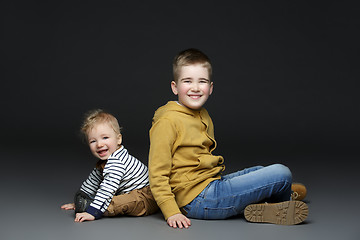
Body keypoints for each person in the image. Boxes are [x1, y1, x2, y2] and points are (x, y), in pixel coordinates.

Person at [148, 48, 308, 228]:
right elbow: (156, 173)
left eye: (202, 81)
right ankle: (282, 200)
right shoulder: (167, 121)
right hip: (199, 200)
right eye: (187, 81)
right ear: (174, 87)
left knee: (260, 169)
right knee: (281, 172)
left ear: (211, 87)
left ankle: (273, 201)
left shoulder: (202, 113)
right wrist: (171, 211)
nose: (195, 87)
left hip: (210, 184)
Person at [61, 109, 158, 222]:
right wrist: (80, 201)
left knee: (116, 202)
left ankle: (95, 208)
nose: (99, 144)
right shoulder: (104, 162)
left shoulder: (117, 162)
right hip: (132, 193)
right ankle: (89, 204)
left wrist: (92, 212)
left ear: (118, 139)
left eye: (105, 138)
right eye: (93, 141)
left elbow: (108, 188)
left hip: (146, 197)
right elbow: (91, 183)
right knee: (109, 197)